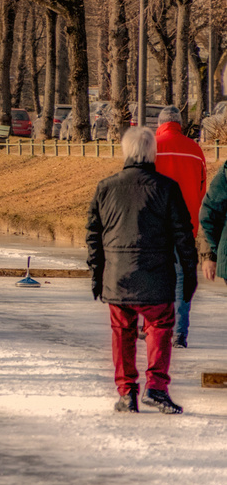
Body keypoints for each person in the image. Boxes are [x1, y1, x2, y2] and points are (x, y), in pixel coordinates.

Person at [89, 126, 194, 414]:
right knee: (159, 327)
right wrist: (190, 270)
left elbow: (94, 235)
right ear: (152, 152)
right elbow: (183, 234)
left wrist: (97, 274)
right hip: (157, 274)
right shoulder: (167, 188)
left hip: (117, 275)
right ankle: (157, 388)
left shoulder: (106, 188)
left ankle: (126, 393)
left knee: (122, 331)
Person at [155, 105, 207, 348]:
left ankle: (154, 328)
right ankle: (178, 333)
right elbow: (202, 190)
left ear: (160, 123)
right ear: (180, 124)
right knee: (181, 278)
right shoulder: (195, 150)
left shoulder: (152, 146)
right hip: (185, 226)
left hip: (155, 225)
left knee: (153, 276)